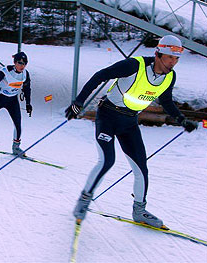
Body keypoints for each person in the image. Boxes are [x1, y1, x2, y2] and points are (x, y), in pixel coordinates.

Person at [65, 35, 198, 227]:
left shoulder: (170, 76)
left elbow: (166, 101)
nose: (173, 62)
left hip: (129, 122)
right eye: (169, 57)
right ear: (158, 54)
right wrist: (79, 101)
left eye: (176, 58)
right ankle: (84, 201)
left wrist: (181, 120)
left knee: (141, 169)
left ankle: (139, 211)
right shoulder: (135, 65)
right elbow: (100, 75)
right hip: (108, 117)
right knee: (107, 161)